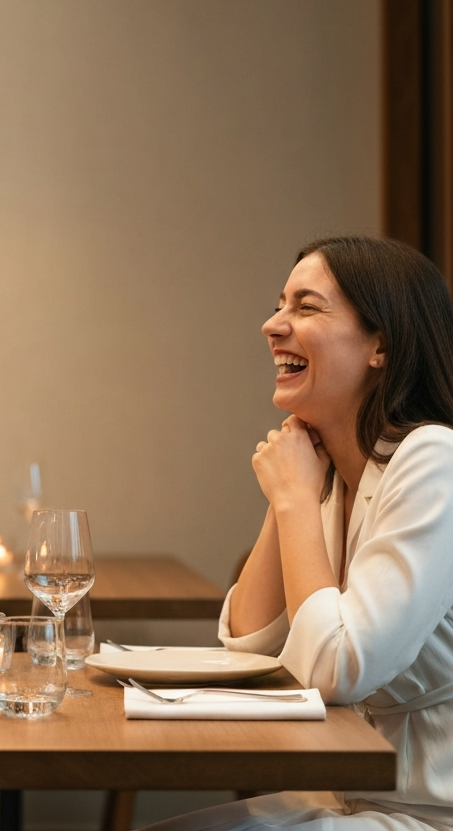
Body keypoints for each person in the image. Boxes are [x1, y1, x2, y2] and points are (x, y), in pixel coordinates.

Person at [145, 235, 453, 831]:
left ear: (381, 345)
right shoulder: (338, 472)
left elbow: (336, 667)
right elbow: (249, 645)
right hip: (351, 798)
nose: (272, 325)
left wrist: (291, 497)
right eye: (279, 304)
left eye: (306, 307)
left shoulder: (433, 460)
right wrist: (296, 488)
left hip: (429, 814)